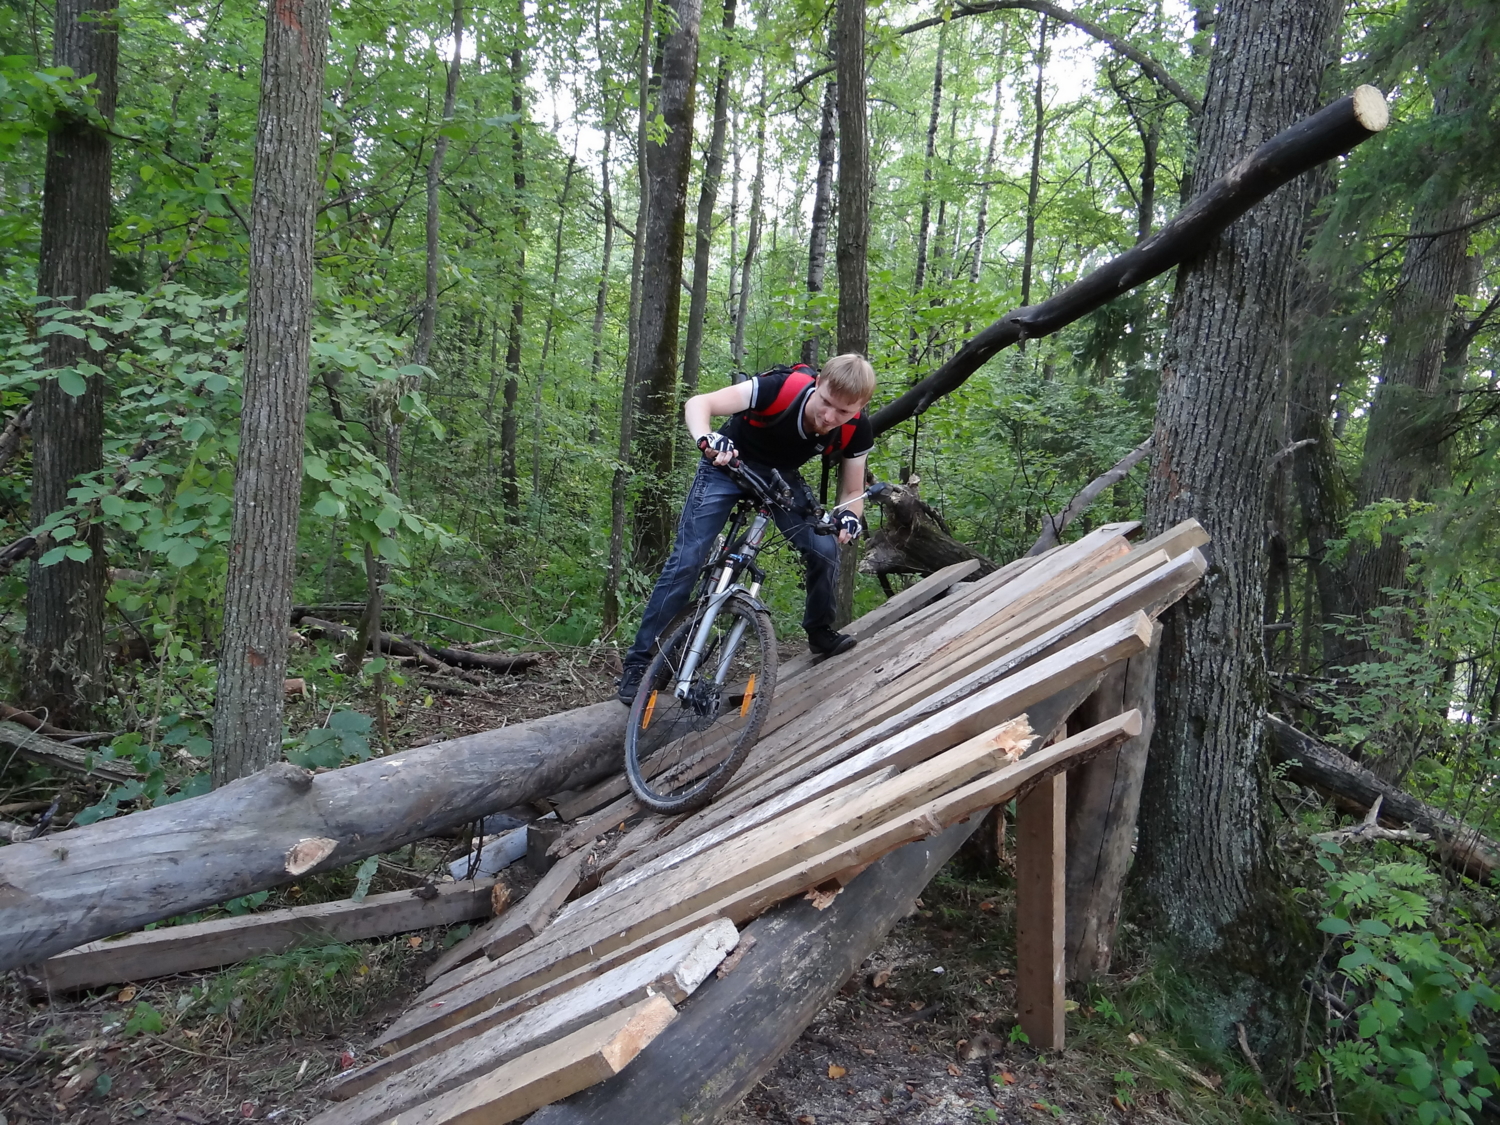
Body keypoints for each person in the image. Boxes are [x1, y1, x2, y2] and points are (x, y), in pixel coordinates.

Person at [617, 353, 877, 706]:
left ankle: (819, 631)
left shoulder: (857, 429)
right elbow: (699, 403)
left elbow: (852, 492)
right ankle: (640, 663)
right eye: (826, 402)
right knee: (687, 560)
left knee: (824, 549)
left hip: (779, 475)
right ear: (818, 384)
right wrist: (707, 439)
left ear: (860, 407)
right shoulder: (780, 389)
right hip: (727, 463)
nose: (829, 417)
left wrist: (848, 517)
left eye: (843, 412)